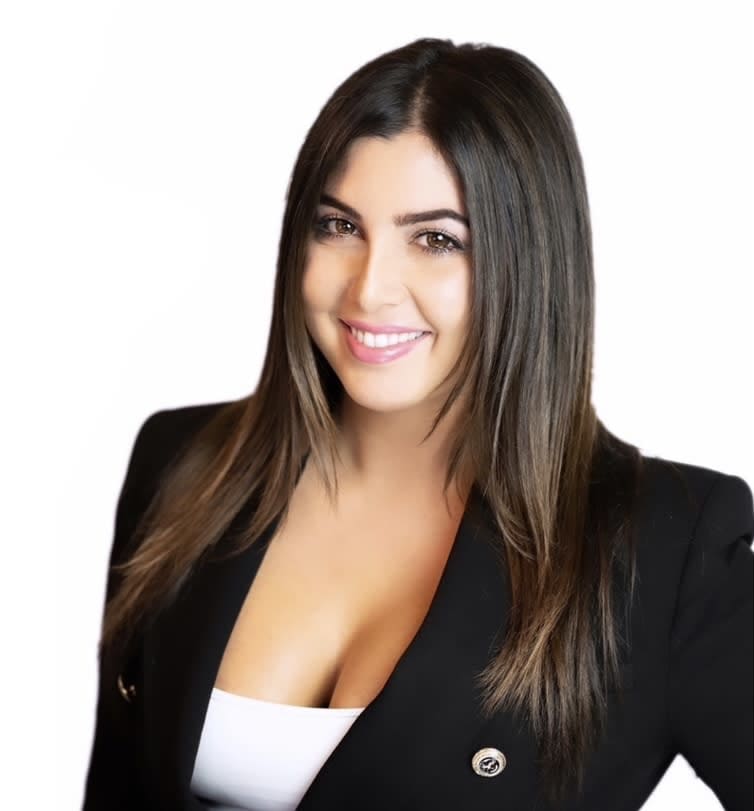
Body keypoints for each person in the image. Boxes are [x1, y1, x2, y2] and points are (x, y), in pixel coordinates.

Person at [82, 37, 753, 811]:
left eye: (436, 240)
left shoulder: (664, 550)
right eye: (338, 226)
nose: (370, 289)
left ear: (530, 262)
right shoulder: (183, 465)